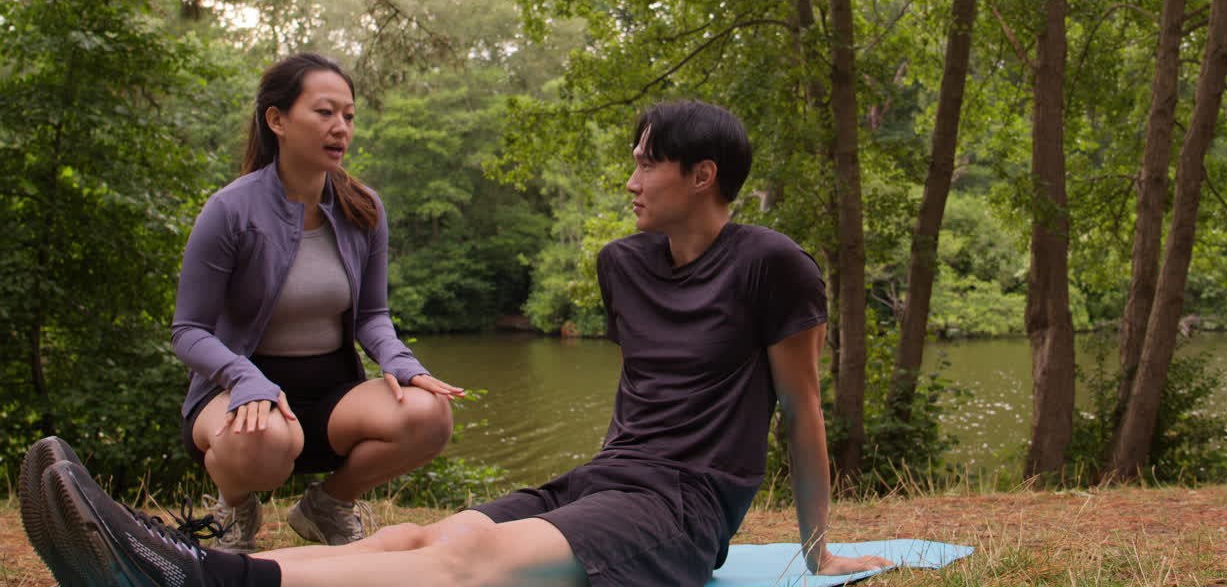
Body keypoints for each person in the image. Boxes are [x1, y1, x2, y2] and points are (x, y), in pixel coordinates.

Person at [22, 99, 894, 587]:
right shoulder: (622, 264)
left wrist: (819, 551)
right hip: (602, 479)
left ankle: (200, 586)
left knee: (464, 564)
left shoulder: (773, 265)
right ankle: (180, 558)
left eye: (646, 164)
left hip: (684, 507)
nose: (630, 180)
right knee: (414, 541)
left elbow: (799, 407)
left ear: (702, 176)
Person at [171, 53, 463, 551]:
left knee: (431, 414)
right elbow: (188, 331)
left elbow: (372, 316)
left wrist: (399, 360)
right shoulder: (229, 210)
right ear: (277, 120)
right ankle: (237, 508)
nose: (341, 128)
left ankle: (327, 505)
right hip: (240, 392)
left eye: (348, 116)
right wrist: (246, 379)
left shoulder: (363, 208)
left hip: (332, 396)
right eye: (325, 113)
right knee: (258, 443)